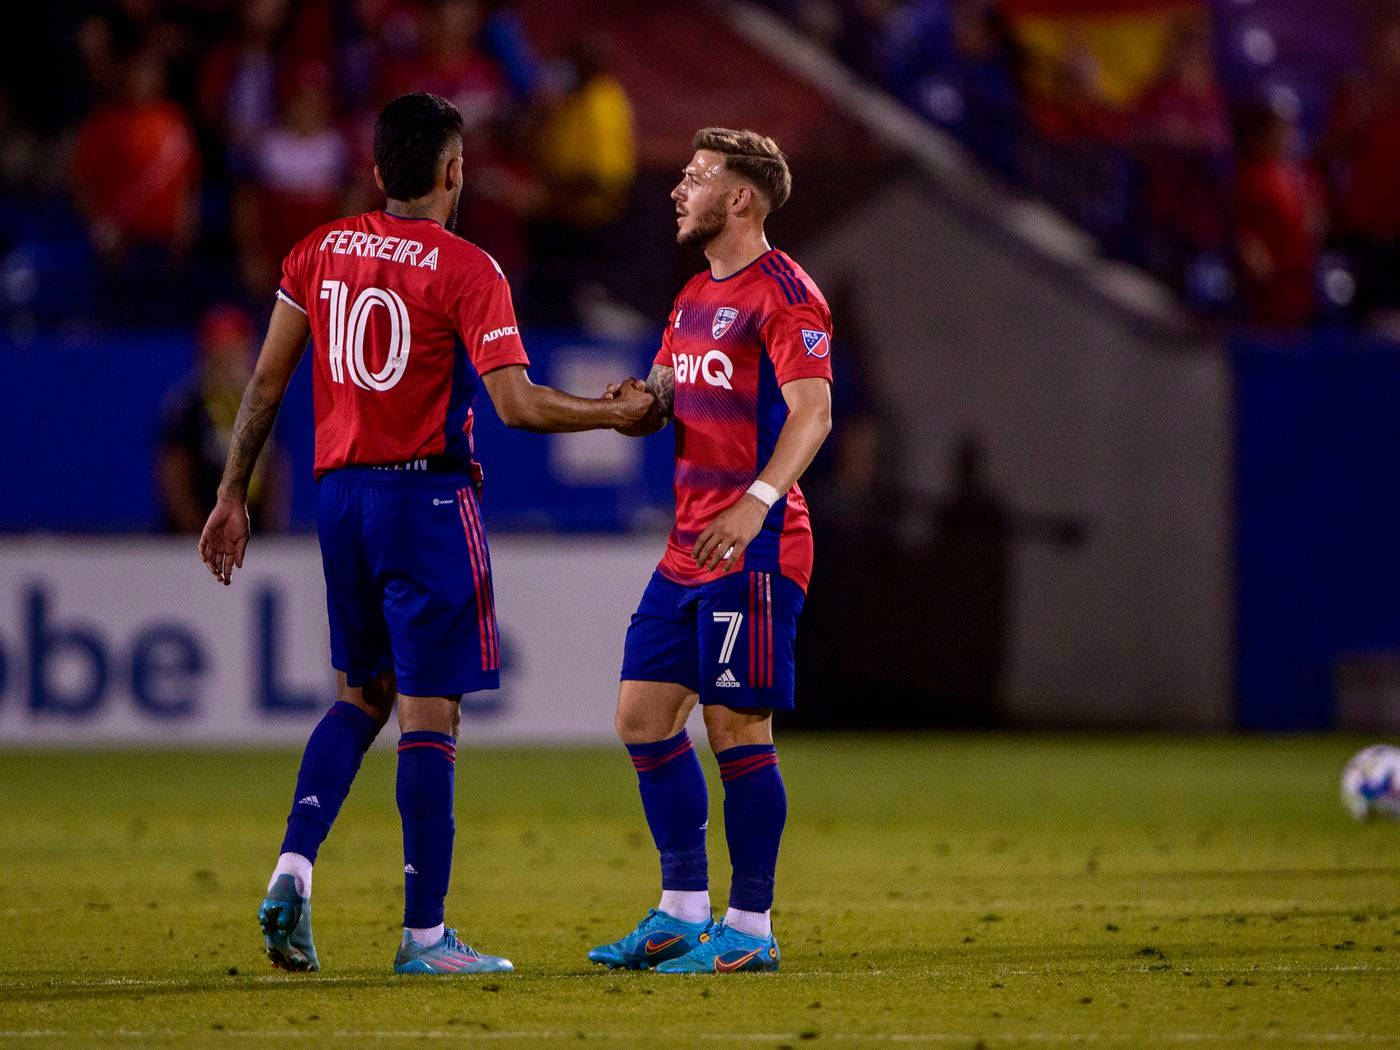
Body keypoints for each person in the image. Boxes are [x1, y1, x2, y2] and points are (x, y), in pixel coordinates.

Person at [196, 91, 653, 976]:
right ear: (454, 172)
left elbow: (263, 383)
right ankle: (425, 937)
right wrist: (611, 413)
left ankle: (294, 867)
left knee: (357, 694)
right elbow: (516, 405)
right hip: (426, 501)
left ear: (376, 173)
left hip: (340, 500)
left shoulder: (320, 249)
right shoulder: (468, 268)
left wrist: (230, 492)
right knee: (428, 713)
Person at [588, 128, 833, 974]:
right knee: (643, 718)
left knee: (737, 727)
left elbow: (813, 412)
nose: (677, 190)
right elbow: (667, 390)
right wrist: (638, 402)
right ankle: (682, 910)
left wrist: (758, 505)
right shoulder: (694, 294)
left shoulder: (785, 294)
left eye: (695, 179)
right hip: (690, 547)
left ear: (740, 199)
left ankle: (750, 930)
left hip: (756, 549)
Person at [157, 304, 288, 534]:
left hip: (251, 531)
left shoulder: (264, 406)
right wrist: (194, 531)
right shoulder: (189, 407)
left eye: (239, 352)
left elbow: (275, 468)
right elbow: (175, 475)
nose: (232, 362)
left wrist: (271, 529)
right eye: (224, 354)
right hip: (199, 533)